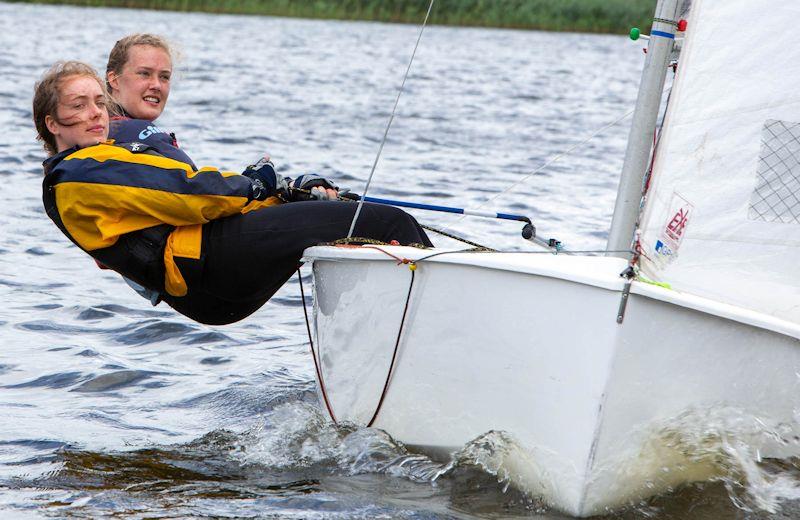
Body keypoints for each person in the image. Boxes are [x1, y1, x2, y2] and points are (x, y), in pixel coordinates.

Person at [34, 61, 432, 325]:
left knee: (351, 224)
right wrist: (258, 184)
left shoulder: (84, 171)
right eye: (78, 105)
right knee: (388, 221)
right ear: (53, 123)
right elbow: (189, 193)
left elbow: (191, 199)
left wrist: (286, 194)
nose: (95, 114)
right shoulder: (83, 173)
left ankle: (386, 342)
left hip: (202, 287)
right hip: (207, 267)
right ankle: (439, 328)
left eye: (99, 104)